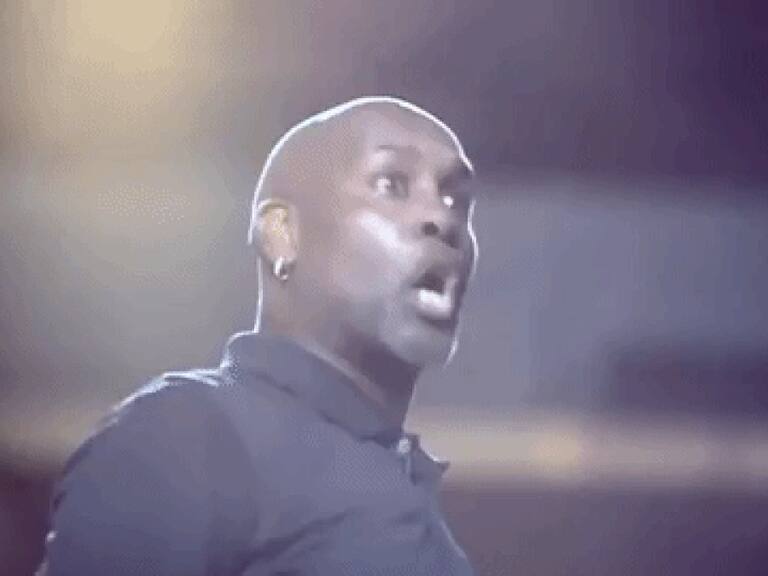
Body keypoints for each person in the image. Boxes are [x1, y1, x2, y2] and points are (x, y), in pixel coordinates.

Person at [40, 96, 479, 575]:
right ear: (281, 235)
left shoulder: (409, 498)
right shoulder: (183, 434)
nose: (443, 218)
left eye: (455, 198)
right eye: (392, 184)